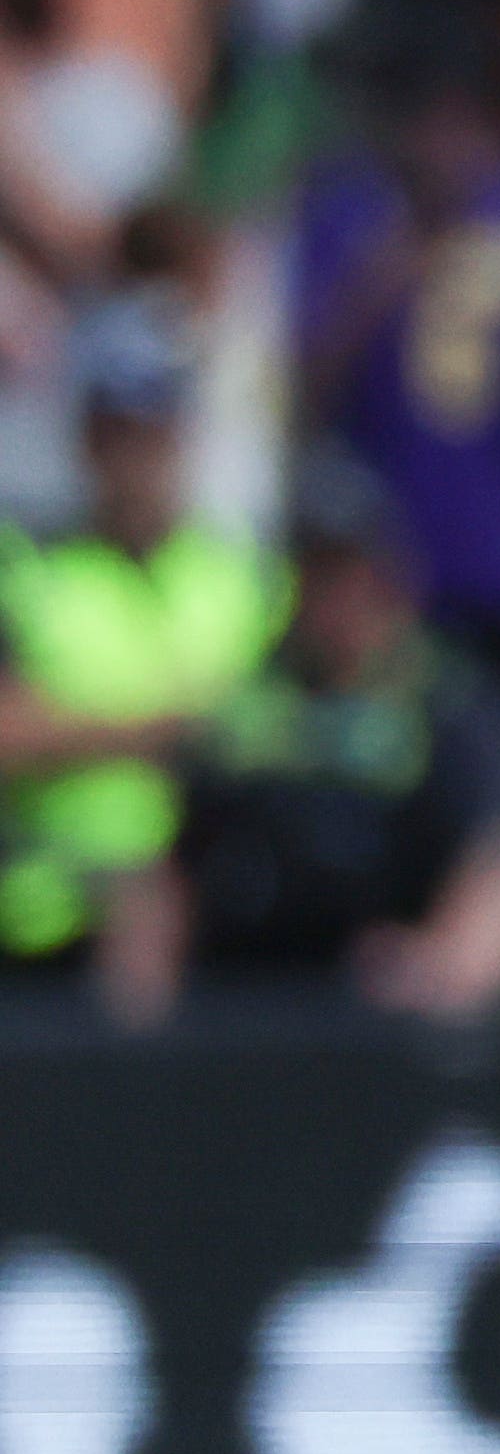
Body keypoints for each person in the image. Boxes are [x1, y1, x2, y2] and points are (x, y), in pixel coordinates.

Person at [123, 456, 500, 1023]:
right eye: (312, 570)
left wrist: (446, 964)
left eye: (345, 570)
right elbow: (168, 871)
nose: (329, 596)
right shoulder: (248, 704)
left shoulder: (454, 708)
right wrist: (141, 1009)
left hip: (382, 1008)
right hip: (238, 999)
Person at [0, 306, 280, 981]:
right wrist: (159, 732)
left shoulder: (239, 575)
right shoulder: (27, 568)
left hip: (228, 904)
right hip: (53, 910)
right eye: (113, 432)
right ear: (86, 440)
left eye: (151, 432)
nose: (133, 457)